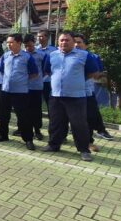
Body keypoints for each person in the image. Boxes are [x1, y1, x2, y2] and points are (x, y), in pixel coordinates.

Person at [42, 31, 100, 161]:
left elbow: (93, 72)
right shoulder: (52, 55)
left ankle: (84, 150)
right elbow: (48, 71)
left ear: (73, 42)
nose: (64, 42)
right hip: (56, 95)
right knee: (56, 123)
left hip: (76, 97)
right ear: (58, 42)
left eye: (67, 40)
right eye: (61, 40)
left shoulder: (84, 55)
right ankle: (54, 145)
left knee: (79, 124)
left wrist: (76, 80)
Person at [0, 34, 38, 150]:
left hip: (21, 91)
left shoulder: (27, 57)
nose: (8, 45)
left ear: (19, 43)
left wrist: (22, 80)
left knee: (23, 116)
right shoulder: (6, 56)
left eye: (11, 42)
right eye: (7, 43)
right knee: (4, 115)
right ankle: (3, 135)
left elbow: (34, 73)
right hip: (5, 90)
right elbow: (2, 71)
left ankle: (28, 139)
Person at [23, 34, 46, 140]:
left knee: (36, 110)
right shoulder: (22, 55)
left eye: (30, 45)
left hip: (36, 87)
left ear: (34, 42)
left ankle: (37, 130)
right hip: (23, 87)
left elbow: (46, 69)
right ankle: (24, 130)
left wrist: (39, 78)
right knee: (25, 110)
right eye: (26, 46)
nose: (28, 48)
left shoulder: (41, 55)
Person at [37, 30, 57, 110]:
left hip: (48, 81)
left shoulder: (54, 50)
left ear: (47, 37)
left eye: (41, 36)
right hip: (36, 81)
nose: (39, 38)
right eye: (38, 36)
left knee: (50, 103)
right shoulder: (34, 49)